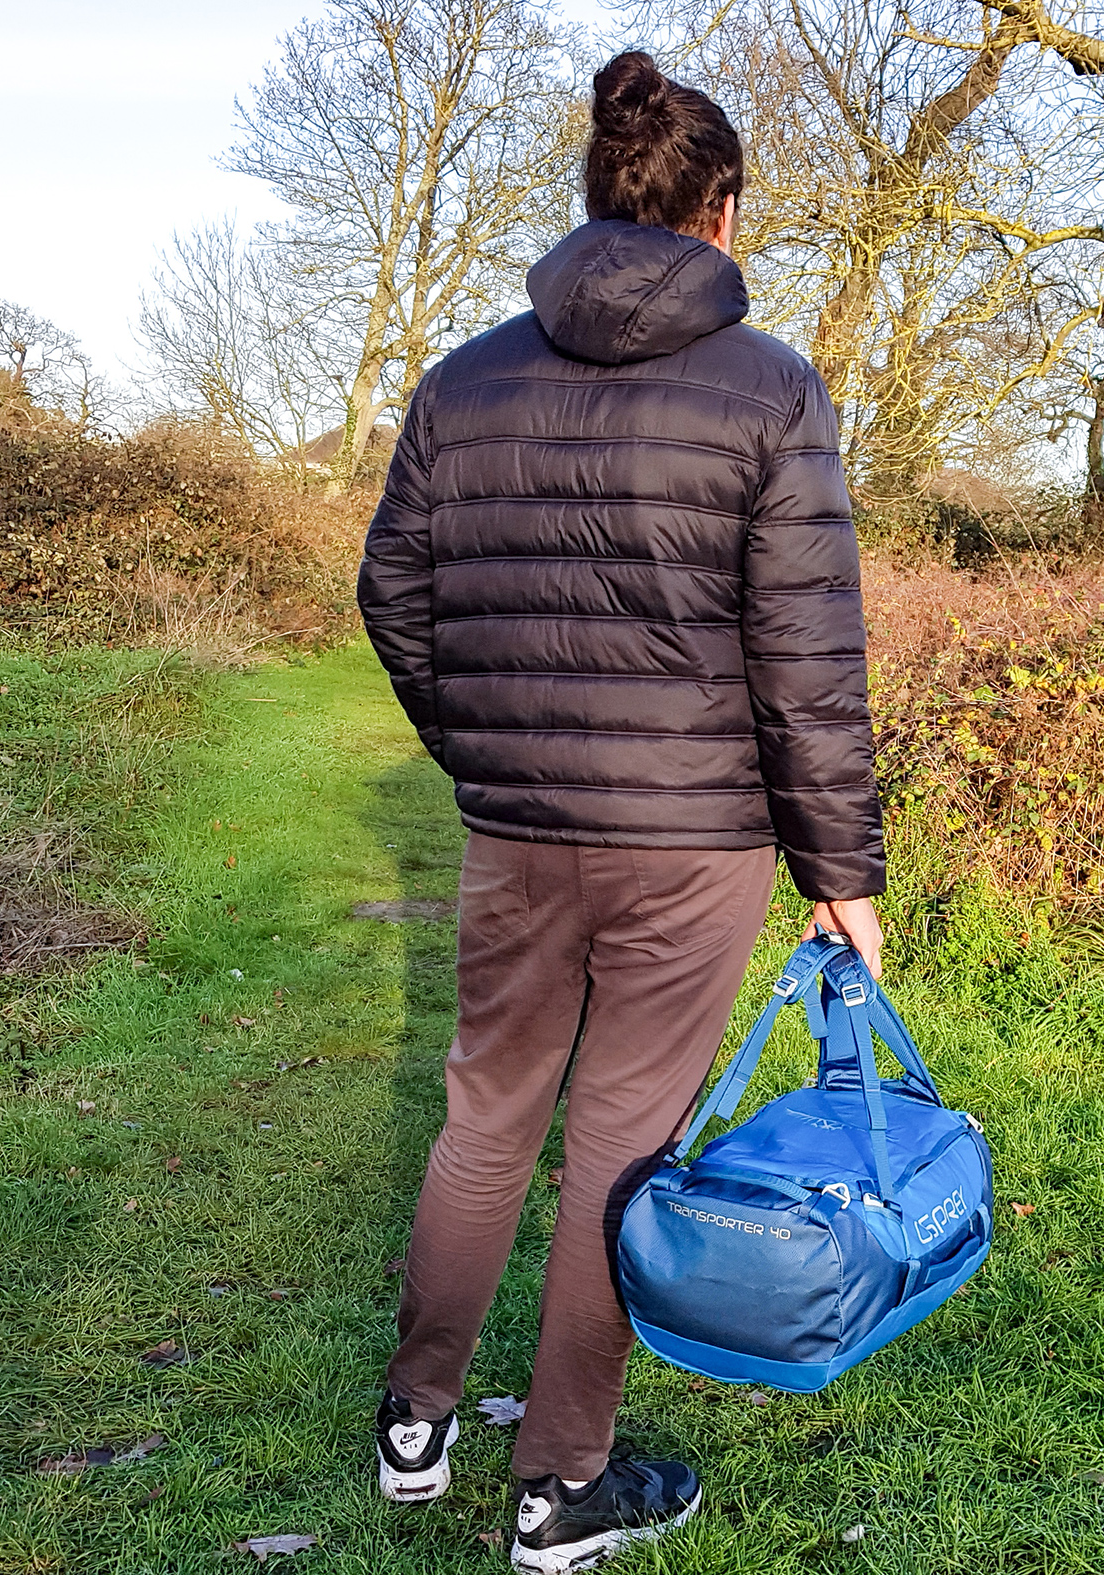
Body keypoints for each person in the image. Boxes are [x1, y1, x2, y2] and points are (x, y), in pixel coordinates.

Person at [354, 47, 885, 1575]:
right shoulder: (773, 389)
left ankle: (416, 1420)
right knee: (624, 1145)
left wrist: (485, 745)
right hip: (693, 843)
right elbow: (808, 654)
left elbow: (393, 590)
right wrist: (838, 869)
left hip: (521, 832)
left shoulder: (464, 381)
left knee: (484, 1110)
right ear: (722, 216)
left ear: (598, 202)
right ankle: (561, 1487)